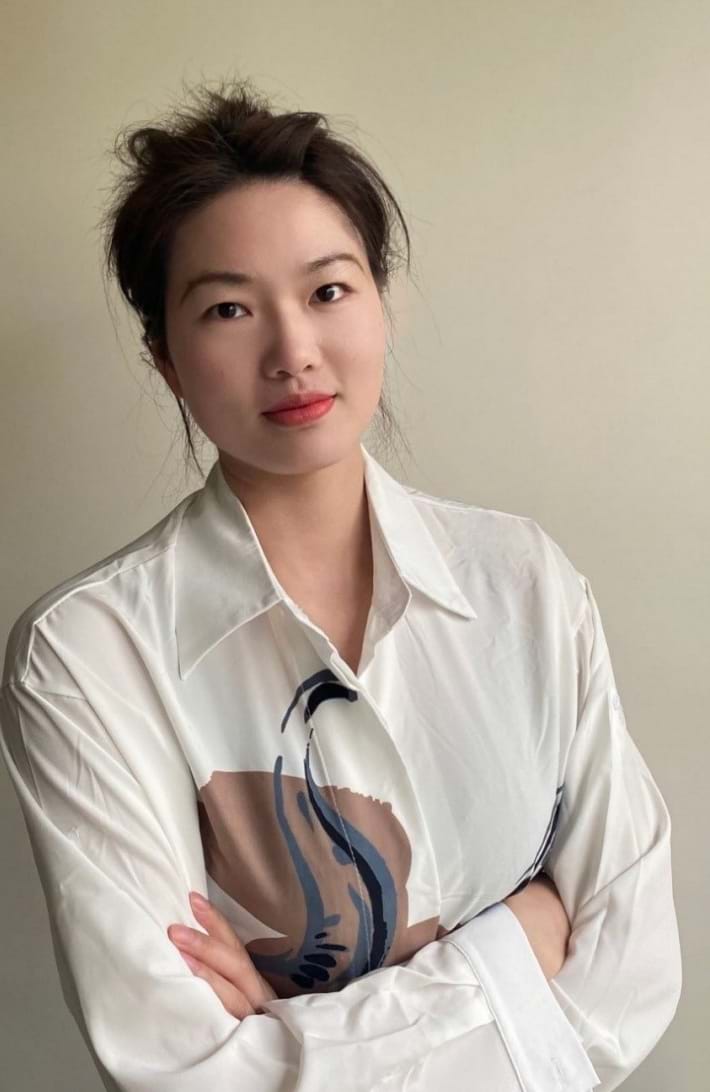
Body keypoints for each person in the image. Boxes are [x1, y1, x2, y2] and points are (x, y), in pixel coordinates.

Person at [0, 77, 681, 1092]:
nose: (294, 353)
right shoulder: (87, 653)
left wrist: (293, 1037)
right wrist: (516, 946)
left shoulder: (522, 580)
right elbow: (179, 1069)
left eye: (327, 292)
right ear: (165, 358)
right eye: (228, 308)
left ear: (381, 304)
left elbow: (631, 980)